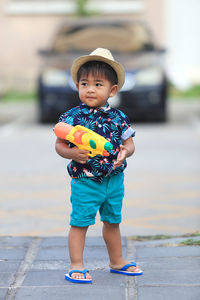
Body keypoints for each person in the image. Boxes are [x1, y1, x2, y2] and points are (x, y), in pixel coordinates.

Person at [55, 48, 143, 283]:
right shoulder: (72, 117)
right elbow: (59, 145)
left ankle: (116, 261)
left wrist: (126, 152)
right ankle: (76, 264)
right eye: (84, 84)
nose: (90, 89)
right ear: (77, 86)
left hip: (113, 180)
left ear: (112, 90)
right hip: (85, 180)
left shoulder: (118, 117)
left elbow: (130, 143)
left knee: (113, 221)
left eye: (98, 84)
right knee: (80, 222)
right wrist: (72, 153)